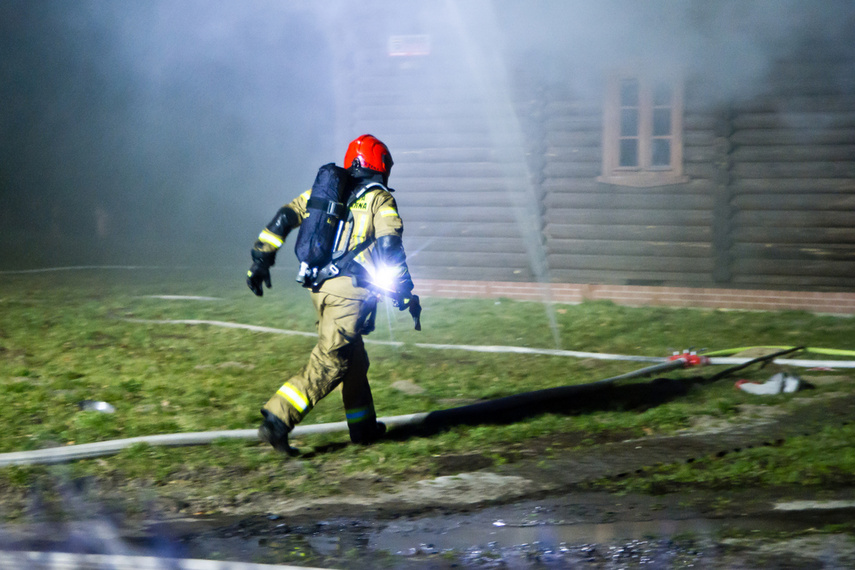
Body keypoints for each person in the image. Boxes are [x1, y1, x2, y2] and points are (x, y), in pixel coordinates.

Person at [246, 134, 418, 455]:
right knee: (331, 361)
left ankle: (364, 430)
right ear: (380, 166)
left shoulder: (327, 193)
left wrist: (261, 257)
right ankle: (277, 420)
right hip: (349, 292)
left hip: (320, 287)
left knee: (354, 361)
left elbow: (285, 217)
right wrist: (405, 290)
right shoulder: (379, 198)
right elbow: (390, 246)